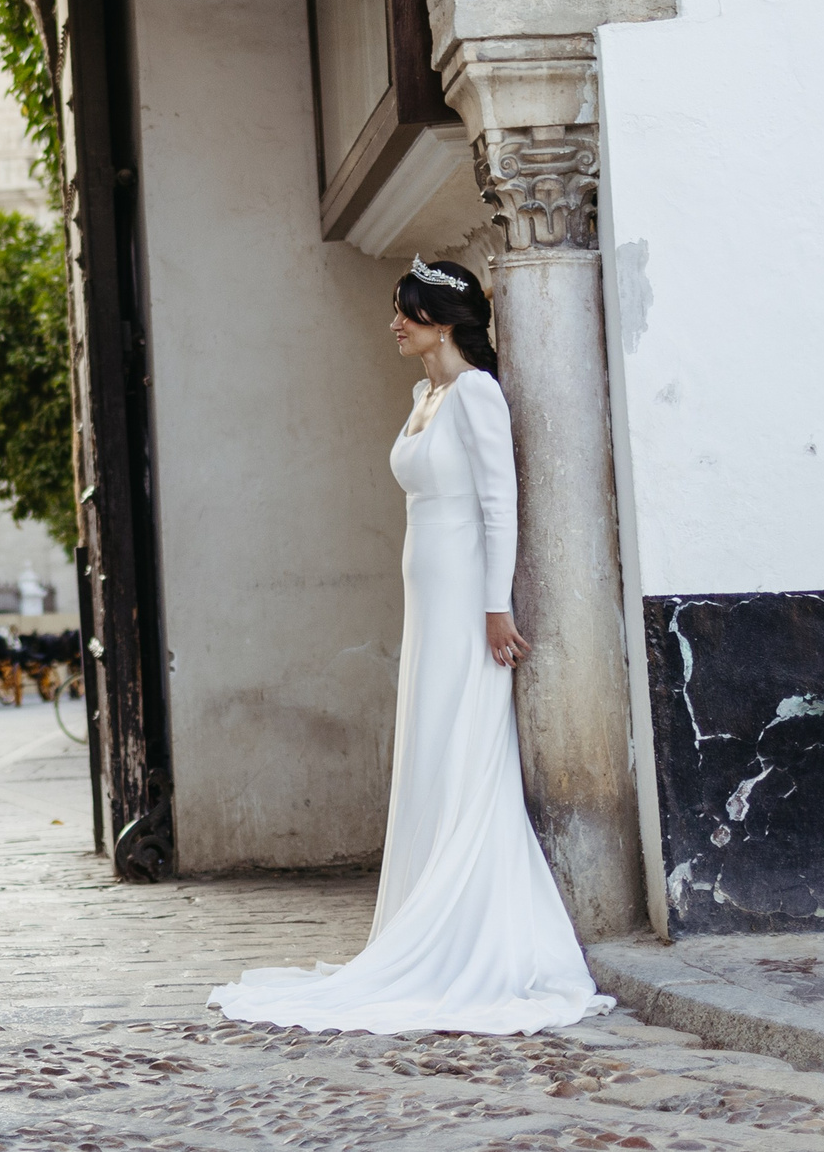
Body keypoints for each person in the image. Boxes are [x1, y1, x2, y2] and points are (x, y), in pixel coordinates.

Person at [209, 258, 613, 1035]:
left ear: (443, 318)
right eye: (396, 310)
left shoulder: (478, 395)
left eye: (407, 310)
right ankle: (418, 911)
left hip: (468, 607)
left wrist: (496, 607)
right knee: (428, 752)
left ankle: (468, 928)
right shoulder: (423, 396)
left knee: (466, 751)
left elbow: (502, 503)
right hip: (426, 606)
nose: (394, 323)